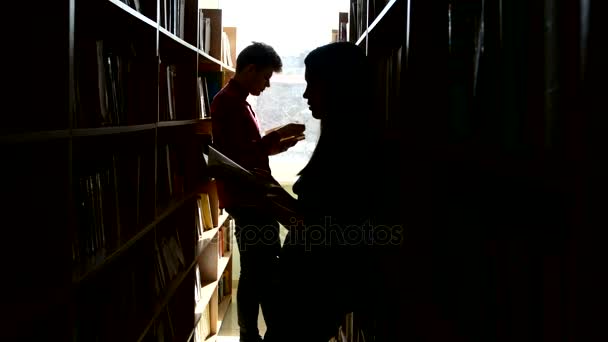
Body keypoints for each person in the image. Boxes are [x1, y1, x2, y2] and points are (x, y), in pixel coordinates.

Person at [257, 42, 401, 342]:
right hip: (307, 292)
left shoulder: (354, 151)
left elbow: (332, 233)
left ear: (339, 86)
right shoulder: (342, 139)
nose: (307, 94)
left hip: (313, 295)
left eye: (313, 84)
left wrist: (280, 200)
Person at [209, 41, 303, 342]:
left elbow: (247, 152)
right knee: (260, 270)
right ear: (250, 70)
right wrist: (273, 138)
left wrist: (274, 145)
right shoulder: (227, 103)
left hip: (252, 197)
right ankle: (255, 333)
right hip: (247, 199)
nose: (267, 84)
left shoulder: (239, 102)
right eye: (265, 77)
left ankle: (254, 332)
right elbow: (233, 154)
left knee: (256, 269)